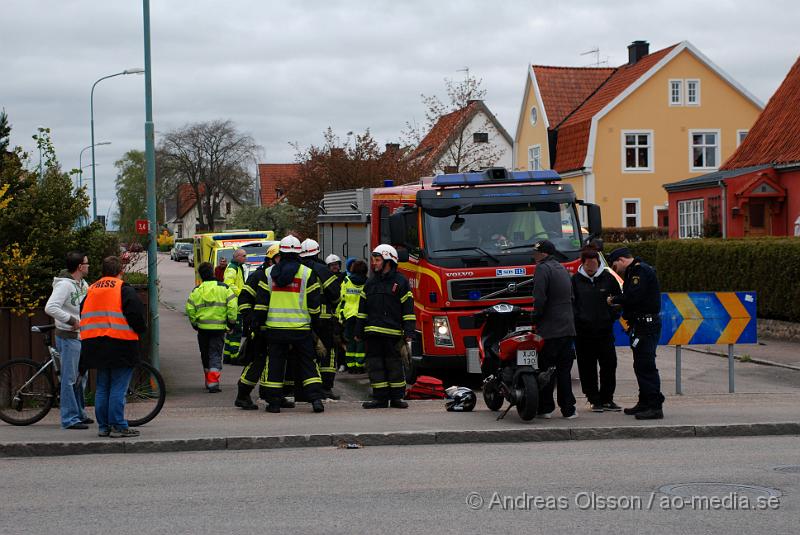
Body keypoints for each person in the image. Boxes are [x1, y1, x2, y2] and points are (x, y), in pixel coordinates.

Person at [253, 235, 325, 413]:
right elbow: (315, 306)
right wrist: (316, 327)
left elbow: (261, 304)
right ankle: (316, 400)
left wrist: (257, 326)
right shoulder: (307, 273)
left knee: (275, 364)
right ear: (299, 253)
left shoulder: (269, 274)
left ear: (281, 252)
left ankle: (274, 403)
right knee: (308, 363)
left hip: (275, 330)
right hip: (301, 329)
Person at [80, 256, 147, 438]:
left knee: (102, 386)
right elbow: (135, 314)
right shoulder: (122, 289)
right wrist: (141, 330)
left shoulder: (92, 289)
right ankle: (118, 425)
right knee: (118, 387)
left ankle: (104, 426)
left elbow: (83, 311)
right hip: (120, 343)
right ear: (120, 271)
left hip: (94, 344)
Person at [607, 247, 665, 420]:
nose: (614, 268)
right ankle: (645, 401)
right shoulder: (635, 271)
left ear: (622, 259)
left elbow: (634, 297)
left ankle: (654, 406)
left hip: (646, 326)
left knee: (646, 366)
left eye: (614, 264)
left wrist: (614, 299)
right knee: (640, 365)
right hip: (640, 325)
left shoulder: (640, 271)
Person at [355, 244, 415, 409]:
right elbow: (362, 310)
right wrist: (358, 331)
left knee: (394, 366)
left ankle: (396, 398)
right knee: (375, 366)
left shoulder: (400, 282)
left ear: (389, 261)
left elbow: (408, 310)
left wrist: (409, 332)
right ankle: (380, 399)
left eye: (377, 260)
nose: (374, 263)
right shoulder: (370, 283)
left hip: (392, 335)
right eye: (374, 260)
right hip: (372, 334)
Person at [235, 243, 294, 410]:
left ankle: (275, 394)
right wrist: (251, 320)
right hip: (261, 327)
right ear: (271, 260)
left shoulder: (279, 277)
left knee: (275, 362)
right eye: (279, 259)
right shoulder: (259, 276)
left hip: (276, 327)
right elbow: (244, 299)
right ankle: (243, 395)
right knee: (258, 361)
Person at [44, 251, 91, 430]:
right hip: (69, 337)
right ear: (80, 266)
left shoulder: (82, 284)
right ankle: (69, 418)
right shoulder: (65, 285)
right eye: (86, 263)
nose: (88, 266)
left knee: (81, 377)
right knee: (69, 379)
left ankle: (79, 413)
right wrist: (72, 321)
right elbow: (50, 307)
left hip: (80, 337)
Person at [572, 246, 622, 412]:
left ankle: (608, 398)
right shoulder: (575, 281)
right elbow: (572, 304)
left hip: (605, 330)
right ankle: (594, 399)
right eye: (588, 265)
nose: (591, 268)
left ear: (598, 263)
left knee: (609, 364)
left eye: (594, 264)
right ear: (583, 264)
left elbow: (618, 300)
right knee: (587, 367)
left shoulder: (608, 278)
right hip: (583, 333)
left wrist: (611, 316)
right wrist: (578, 319)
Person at [531, 239, 577, 419]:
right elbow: (571, 297)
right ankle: (569, 409)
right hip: (567, 328)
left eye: (537, 253)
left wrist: (535, 317)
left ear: (544, 254)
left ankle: (546, 408)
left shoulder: (543, 269)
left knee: (547, 370)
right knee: (564, 371)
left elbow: (540, 298)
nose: (534, 256)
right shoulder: (561, 268)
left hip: (550, 329)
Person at [300, 239, 342, 399]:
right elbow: (336, 295)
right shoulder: (322, 270)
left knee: (307, 354)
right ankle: (325, 388)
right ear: (317, 252)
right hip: (324, 320)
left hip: (300, 319)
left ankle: (307, 387)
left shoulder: (298, 270)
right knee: (328, 354)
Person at [186, 262, 237, 393]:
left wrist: (195, 324)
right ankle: (213, 383)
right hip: (219, 328)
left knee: (205, 354)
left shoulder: (196, 291)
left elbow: (190, 309)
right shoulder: (224, 288)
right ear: (213, 273)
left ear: (201, 275)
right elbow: (232, 307)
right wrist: (231, 324)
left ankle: (208, 380)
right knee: (215, 354)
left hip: (202, 329)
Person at [337, 259, 368, 373]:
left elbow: (342, 298)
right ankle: (359, 365)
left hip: (348, 315)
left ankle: (350, 366)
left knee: (350, 342)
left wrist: (340, 316)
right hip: (362, 316)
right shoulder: (367, 282)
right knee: (360, 342)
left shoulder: (346, 280)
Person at [223, 248, 247, 364]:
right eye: (243, 256)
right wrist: (241, 293)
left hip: (235, 304)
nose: (245, 258)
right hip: (235, 305)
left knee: (231, 333)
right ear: (237, 256)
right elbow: (228, 284)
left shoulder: (237, 267)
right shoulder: (233, 268)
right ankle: (234, 356)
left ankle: (227, 356)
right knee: (236, 333)